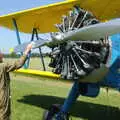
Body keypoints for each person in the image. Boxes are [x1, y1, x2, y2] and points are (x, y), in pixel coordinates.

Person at [0, 43, 32, 120]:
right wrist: (27, 51)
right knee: (4, 116)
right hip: (2, 97)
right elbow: (18, 64)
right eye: (0, 53)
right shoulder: (2, 66)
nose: (2, 54)